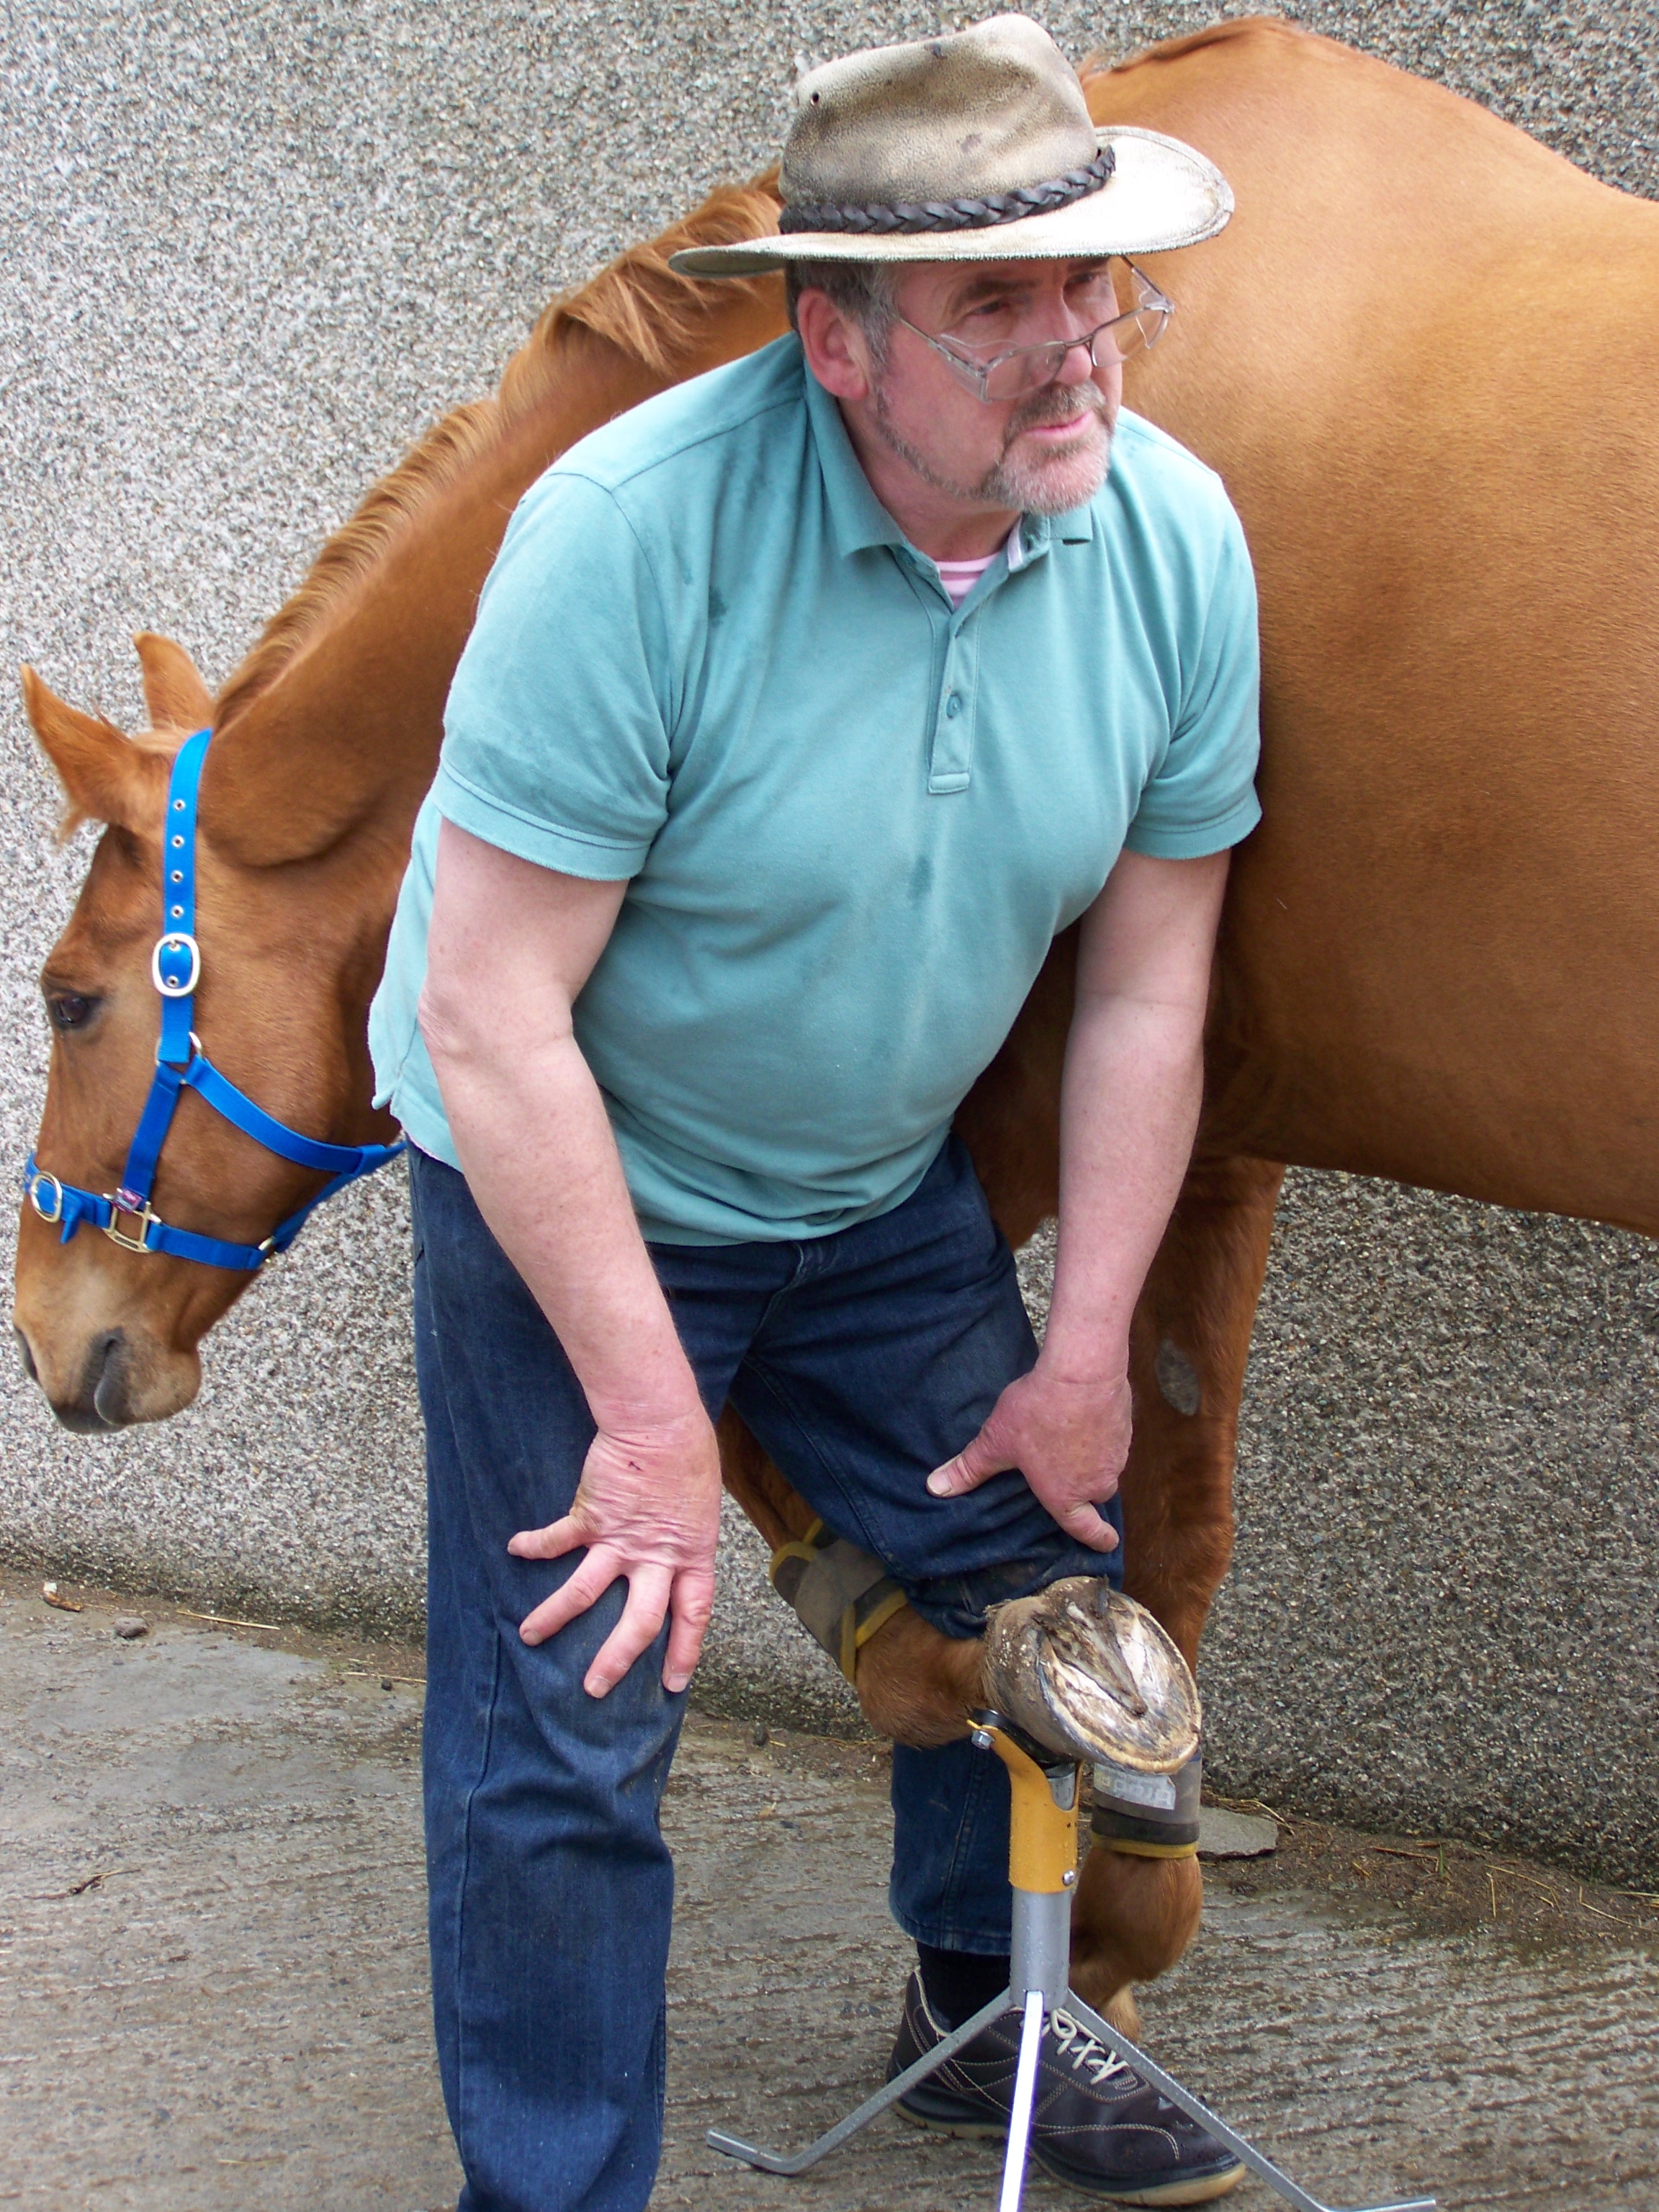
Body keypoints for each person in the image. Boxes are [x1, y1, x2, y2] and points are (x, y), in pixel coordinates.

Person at [367, 15, 1261, 2208]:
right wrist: (660, 1436)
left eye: (1094, 281)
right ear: (836, 342)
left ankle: (987, 2026)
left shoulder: (1171, 537)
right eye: (995, 304)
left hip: (875, 1199)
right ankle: (555, 2191)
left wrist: (1077, 1354)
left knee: (1055, 1591)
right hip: (579, 1178)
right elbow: (490, 1017)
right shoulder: (631, 542)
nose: (1076, 348)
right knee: (574, 1717)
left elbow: (1151, 985)